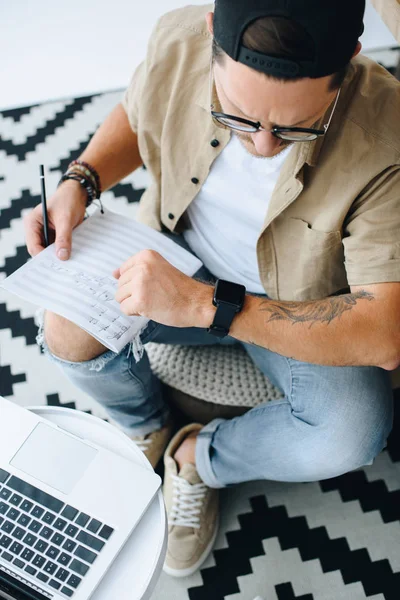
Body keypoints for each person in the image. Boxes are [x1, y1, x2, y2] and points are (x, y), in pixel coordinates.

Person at [24, 0, 400, 578]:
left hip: (298, 303)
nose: (265, 145)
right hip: (177, 258)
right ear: (209, 38)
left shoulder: (389, 133)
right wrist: (83, 176)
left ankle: (198, 457)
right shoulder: (177, 39)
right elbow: (137, 109)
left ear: (351, 58)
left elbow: (384, 332)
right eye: (239, 116)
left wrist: (207, 307)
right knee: (65, 326)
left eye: (297, 125)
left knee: (351, 433)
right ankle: (147, 426)